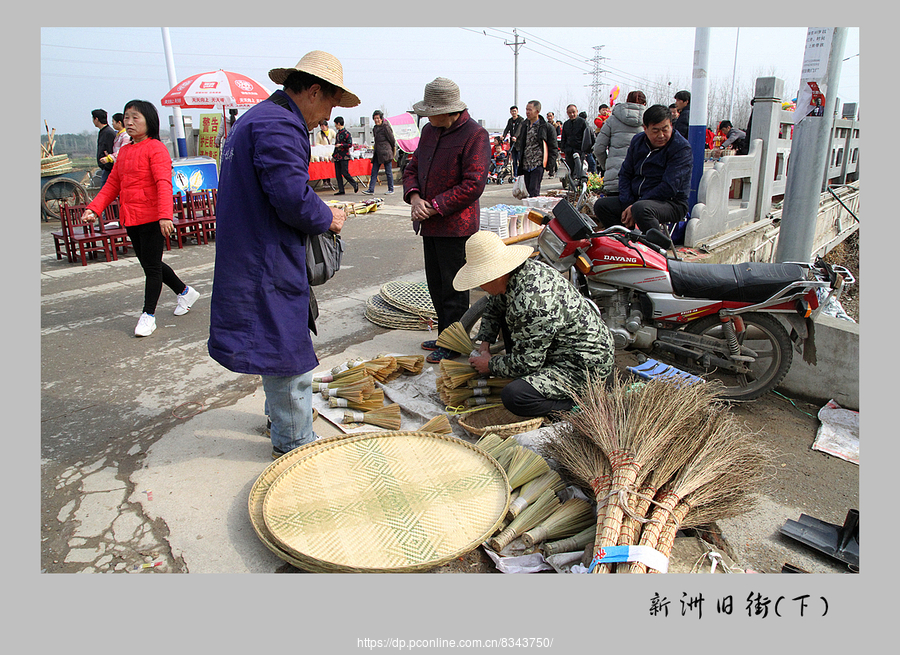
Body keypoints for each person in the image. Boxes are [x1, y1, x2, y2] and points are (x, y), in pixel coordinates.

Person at [208, 50, 356, 460]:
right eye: (329, 104)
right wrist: (328, 216)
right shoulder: (279, 125)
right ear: (312, 91)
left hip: (252, 249)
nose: (327, 116)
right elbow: (291, 198)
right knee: (287, 352)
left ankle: (280, 421)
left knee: (271, 342)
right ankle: (294, 446)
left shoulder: (254, 119)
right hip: (266, 256)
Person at [454, 231, 615, 417]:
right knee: (508, 324)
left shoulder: (531, 303)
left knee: (515, 396)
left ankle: (579, 404)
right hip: (559, 348)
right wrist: (485, 345)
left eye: (481, 281)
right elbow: (494, 305)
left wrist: (491, 365)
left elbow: (528, 363)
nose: (480, 286)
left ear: (496, 274)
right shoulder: (517, 274)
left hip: (583, 366)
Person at [84, 100, 201, 337]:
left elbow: (163, 184)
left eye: (135, 117)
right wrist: (94, 209)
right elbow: (112, 185)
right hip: (131, 218)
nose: (129, 122)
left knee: (151, 268)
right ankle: (185, 292)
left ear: (149, 121)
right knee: (152, 264)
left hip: (152, 218)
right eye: (127, 117)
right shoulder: (125, 151)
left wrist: (165, 216)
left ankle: (148, 315)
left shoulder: (156, 148)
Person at [402, 77, 490, 364]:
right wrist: (415, 199)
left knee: (455, 289)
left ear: (448, 110)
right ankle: (445, 336)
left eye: (430, 110)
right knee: (436, 285)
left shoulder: (475, 135)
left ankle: (455, 343)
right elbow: (412, 167)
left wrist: (435, 206)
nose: (425, 115)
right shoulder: (429, 131)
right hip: (430, 225)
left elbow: (473, 184)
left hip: (456, 227)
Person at [591, 104, 692, 234]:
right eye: (655, 131)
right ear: (645, 128)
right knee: (602, 205)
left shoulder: (681, 148)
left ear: (671, 126)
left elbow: (669, 187)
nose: (661, 135)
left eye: (665, 129)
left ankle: (657, 250)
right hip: (637, 200)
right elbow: (625, 174)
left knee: (641, 209)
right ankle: (625, 244)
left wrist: (636, 205)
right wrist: (628, 204)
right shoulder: (638, 141)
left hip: (671, 203)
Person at [593, 90, 646, 195]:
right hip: (640, 180)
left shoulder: (612, 120)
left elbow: (598, 149)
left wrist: (607, 165)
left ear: (627, 101)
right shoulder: (650, 121)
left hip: (615, 179)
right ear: (644, 104)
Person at [512, 100, 557, 197]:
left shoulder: (546, 127)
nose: (527, 112)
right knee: (528, 190)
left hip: (537, 163)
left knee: (534, 190)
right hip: (526, 164)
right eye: (526, 110)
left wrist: (551, 165)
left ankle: (534, 210)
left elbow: (553, 147)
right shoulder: (524, 125)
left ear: (537, 111)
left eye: (530, 110)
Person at [363, 110, 396, 195]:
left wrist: (393, 150)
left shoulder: (386, 127)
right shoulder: (375, 128)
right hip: (377, 152)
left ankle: (391, 189)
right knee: (374, 171)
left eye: (378, 118)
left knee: (388, 171)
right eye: (375, 118)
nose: (376, 120)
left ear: (381, 118)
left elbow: (392, 140)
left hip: (386, 152)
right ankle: (371, 189)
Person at [561, 104, 590, 179]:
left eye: (573, 112)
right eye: (569, 113)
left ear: (577, 111)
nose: (572, 114)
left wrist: (587, 149)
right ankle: (571, 186)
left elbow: (588, 136)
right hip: (569, 152)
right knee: (571, 172)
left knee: (580, 171)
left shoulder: (583, 122)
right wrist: (564, 149)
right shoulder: (566, 124)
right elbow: (563, 138)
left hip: (580, 151)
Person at [332, 116, 358, 195]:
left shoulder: (346, 133)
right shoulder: (337, 134)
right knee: (338, 174)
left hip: (344, 156)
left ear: (339, 124)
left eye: (335, 124)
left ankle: (354, 183)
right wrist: (333, 156)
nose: (335, 126)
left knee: (345, 172)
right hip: (337, 156)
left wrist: (341, 145)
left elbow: (350, 144)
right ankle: (341, 189)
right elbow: (336, 145)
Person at [92, 109, 116, 187]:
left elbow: (111, 150)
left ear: (96, 119)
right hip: (105, 168)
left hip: (108, 168)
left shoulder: (108, 133)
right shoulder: (103, 132)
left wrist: (107, 166)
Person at [502, 106, 525, 176]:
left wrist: (515, 136)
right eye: (512, 111)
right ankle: (515, 174)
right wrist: (503, 136)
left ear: (517, 111)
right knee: (514, 160)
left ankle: (521, 174)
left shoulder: (521, 120)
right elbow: (507, 128)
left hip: (519, 143)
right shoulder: (510, 121)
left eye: (515, 111)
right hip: (513, 143)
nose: (513, 112)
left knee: (520, 160)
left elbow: (519, 129)